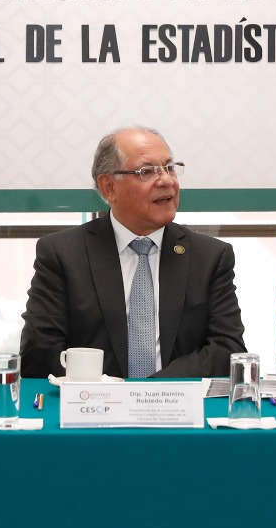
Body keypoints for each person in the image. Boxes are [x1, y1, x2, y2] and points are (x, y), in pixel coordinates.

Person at [20, 126, 246, 379]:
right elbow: (39, 352)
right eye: (146, 171)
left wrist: (149, 392)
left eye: (169, 168)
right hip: (94, 401)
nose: (167, 181)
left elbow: (227, 349)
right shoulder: (63, 254)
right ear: (108, 187)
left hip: (175, 400)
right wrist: (110, 391)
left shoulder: (209, 257)